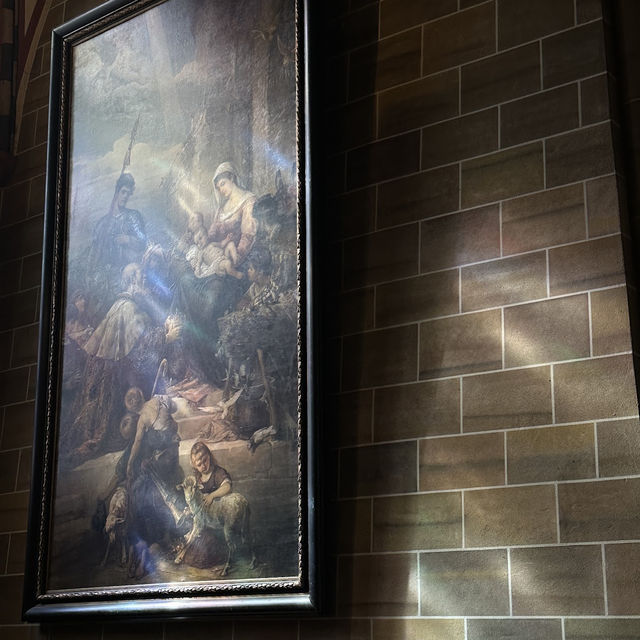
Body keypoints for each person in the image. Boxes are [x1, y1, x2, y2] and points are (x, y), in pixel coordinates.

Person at [125, 388, 186, 578]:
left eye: (132, 398)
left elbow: (138, 443)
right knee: (141, 488)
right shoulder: (159, 400)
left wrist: (130, 464)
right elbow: (174, 410)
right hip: (165, 456)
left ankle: (156, 539)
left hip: (168, 459)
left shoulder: (144, 417)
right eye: (130, 399)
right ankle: (145, 541)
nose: (133, 402)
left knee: (146, 487)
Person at [86, 173, 147, 316]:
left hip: (128, 271)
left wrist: (128, 239)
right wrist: (90, 276)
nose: (125, 196)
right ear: (117, 192)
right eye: (123, 192)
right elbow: (94, 253)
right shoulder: (102, 223)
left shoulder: (133, 216)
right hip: (106, 274)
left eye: (128, 193)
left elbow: (143, 242)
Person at [208, 162, 257, 266]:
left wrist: (236, 258)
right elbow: (213, 235)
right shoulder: (221, 208)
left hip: (236, 257)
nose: (221, 190)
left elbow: (248, 236)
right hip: (219, 255)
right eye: (218, 188)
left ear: (231, 178)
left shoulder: (248, 201)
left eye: (223, 184)